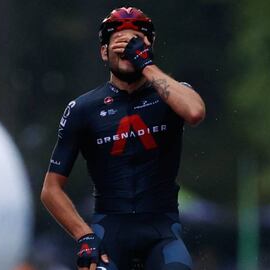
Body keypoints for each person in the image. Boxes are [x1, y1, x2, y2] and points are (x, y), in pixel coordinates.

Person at [41, 6, 205, 270]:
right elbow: (51, 190)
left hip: (161, 232)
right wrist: (84, 235)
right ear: (104, 52)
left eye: (136, 42)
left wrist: (146, 64)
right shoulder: (83, 109)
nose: (129, 49)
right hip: (109, 232)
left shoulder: (170, 95)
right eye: (120, 44)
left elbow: (195, 112)